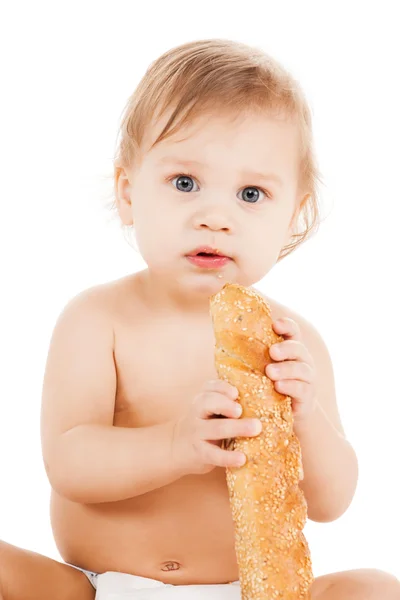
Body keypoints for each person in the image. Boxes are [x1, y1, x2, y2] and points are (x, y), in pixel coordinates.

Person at [0, 38, 398, 600]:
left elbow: (332, 504)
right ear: (129, 192)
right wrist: (175, 446)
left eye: (251, 193)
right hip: (95, 587)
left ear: (294, 217)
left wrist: (307, 418)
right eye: (185, 184)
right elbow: (69, 463)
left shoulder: (293, 343)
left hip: (248, 590)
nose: (215, 217)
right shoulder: (98, 319)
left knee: (376, 588)